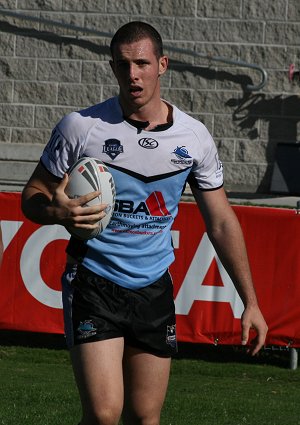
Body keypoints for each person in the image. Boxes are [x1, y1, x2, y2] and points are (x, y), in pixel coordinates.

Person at [21, 21, 268, 425]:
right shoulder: (82, 127)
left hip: (153, 289)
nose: (133, 74)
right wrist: (56, 212)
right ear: (113, 68)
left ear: (162, 65)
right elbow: (31, 196)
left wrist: (251, 302)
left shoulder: (194, 137)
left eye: (142, 63)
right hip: (93, 282)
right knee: (103, 415)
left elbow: (221, 221)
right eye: (123, 65)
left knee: (145, 417)